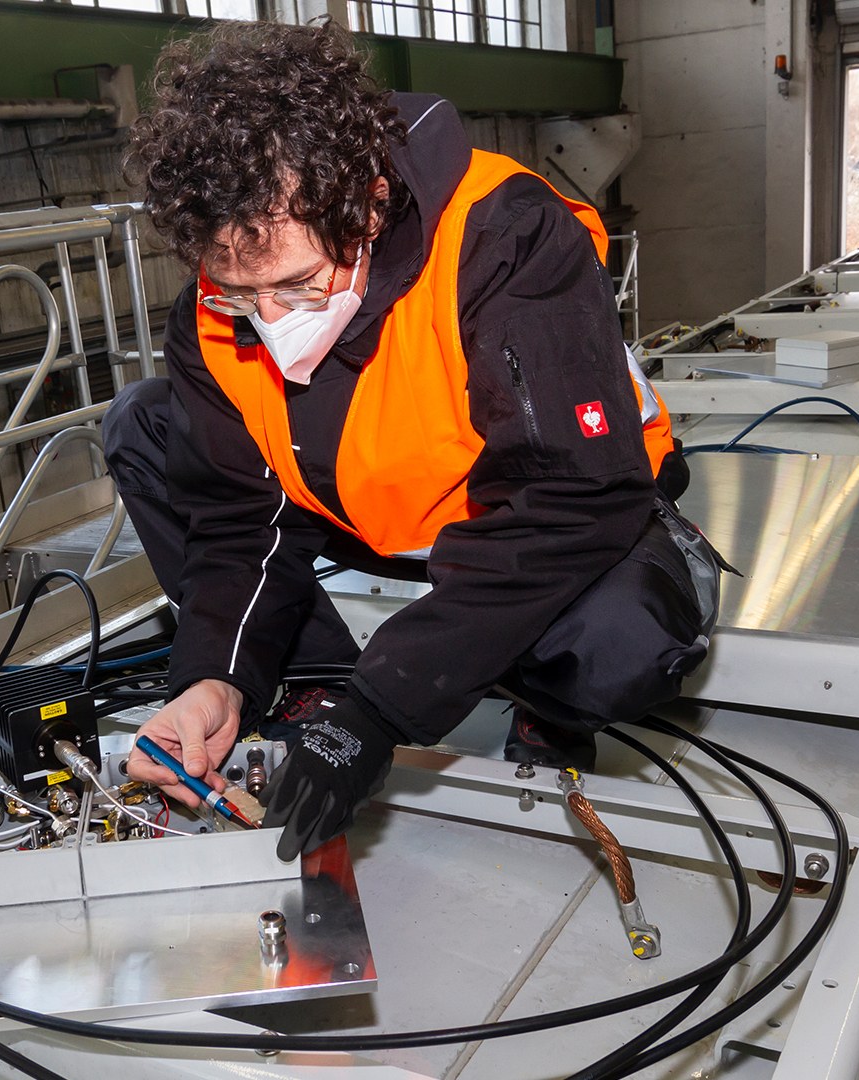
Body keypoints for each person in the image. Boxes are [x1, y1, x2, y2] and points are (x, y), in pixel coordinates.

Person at [106, 21, 721, 861]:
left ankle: (545, 704)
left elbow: (571, 497)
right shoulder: (214, 315)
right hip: (373, 513)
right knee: (142, 422)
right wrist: (217, 674)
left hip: (534, 513)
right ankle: (306, 687)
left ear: (365, 201)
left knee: (621, 646)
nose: (274, 322)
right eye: (243, 292)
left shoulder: (505, 237)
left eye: (298, 284)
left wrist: (382, 710)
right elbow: (241, 523)